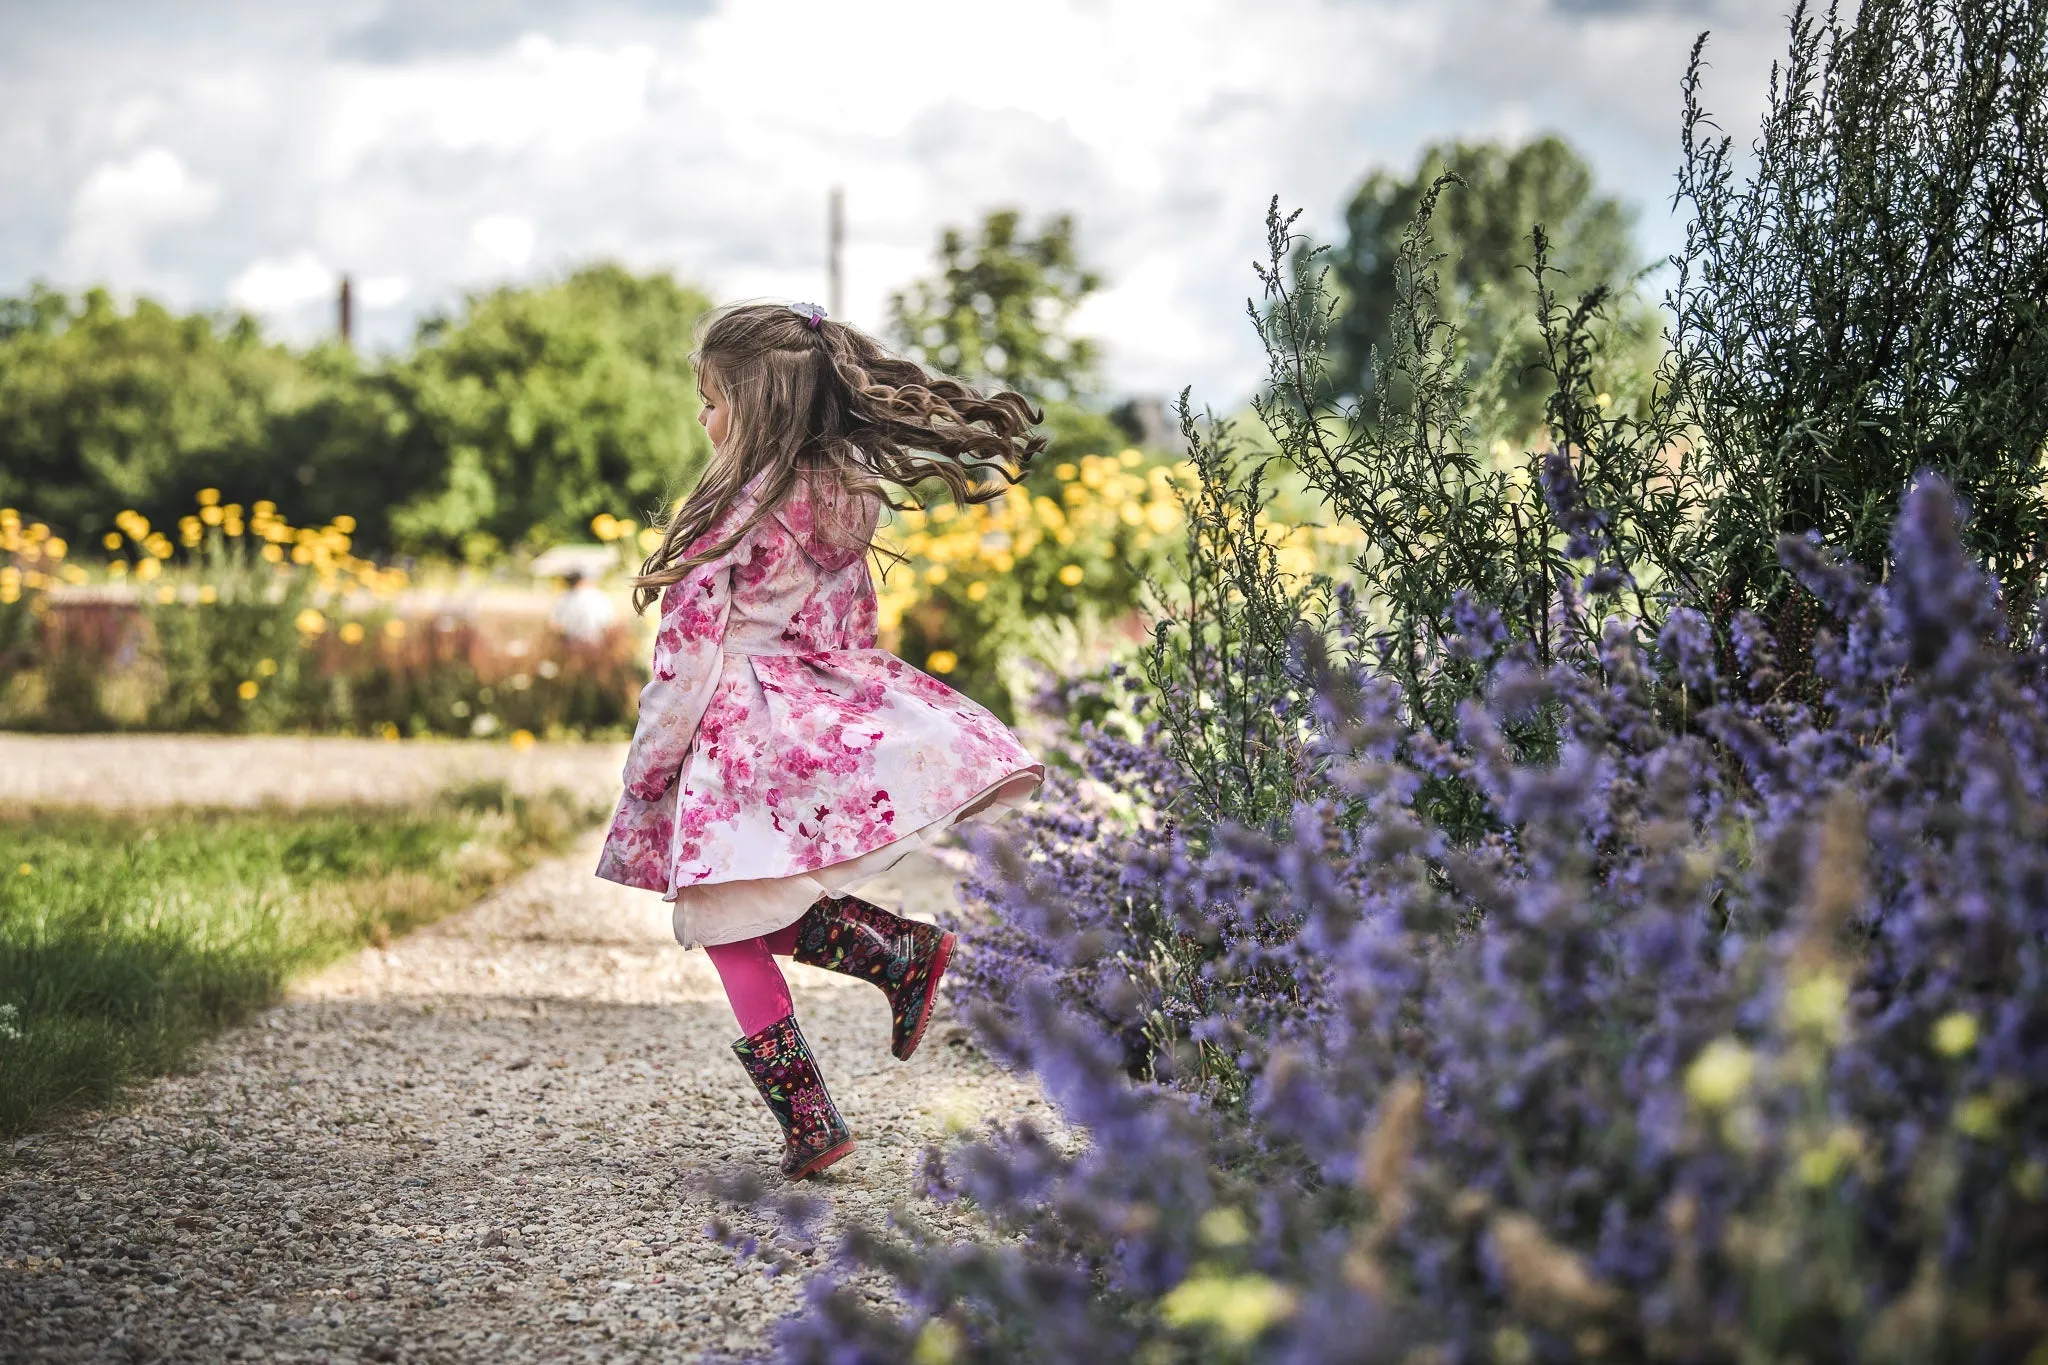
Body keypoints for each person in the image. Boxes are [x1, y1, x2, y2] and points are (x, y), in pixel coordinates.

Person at [595, 300, 1045, 1181]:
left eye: (713, 399)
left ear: (756, 404)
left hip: (734, 736)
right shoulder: (842, 496)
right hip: (800, 716)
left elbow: (685, 658)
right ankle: (897, 955)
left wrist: (649, 768)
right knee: (753, 901)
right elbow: (849, 629)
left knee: (726, 917)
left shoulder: (725, 510)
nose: (704, 418)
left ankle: (813, 1114)